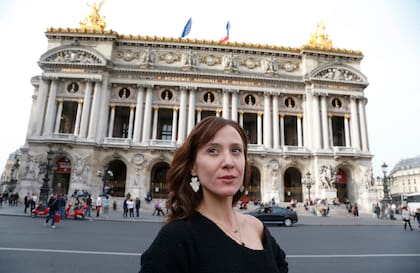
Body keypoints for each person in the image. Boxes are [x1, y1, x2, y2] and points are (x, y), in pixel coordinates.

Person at [139, 116, 288, 273]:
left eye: (236, 150)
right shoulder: (176, 238)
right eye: (213, 151)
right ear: (193, 167)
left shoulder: (257, 227)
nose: (228, 162)